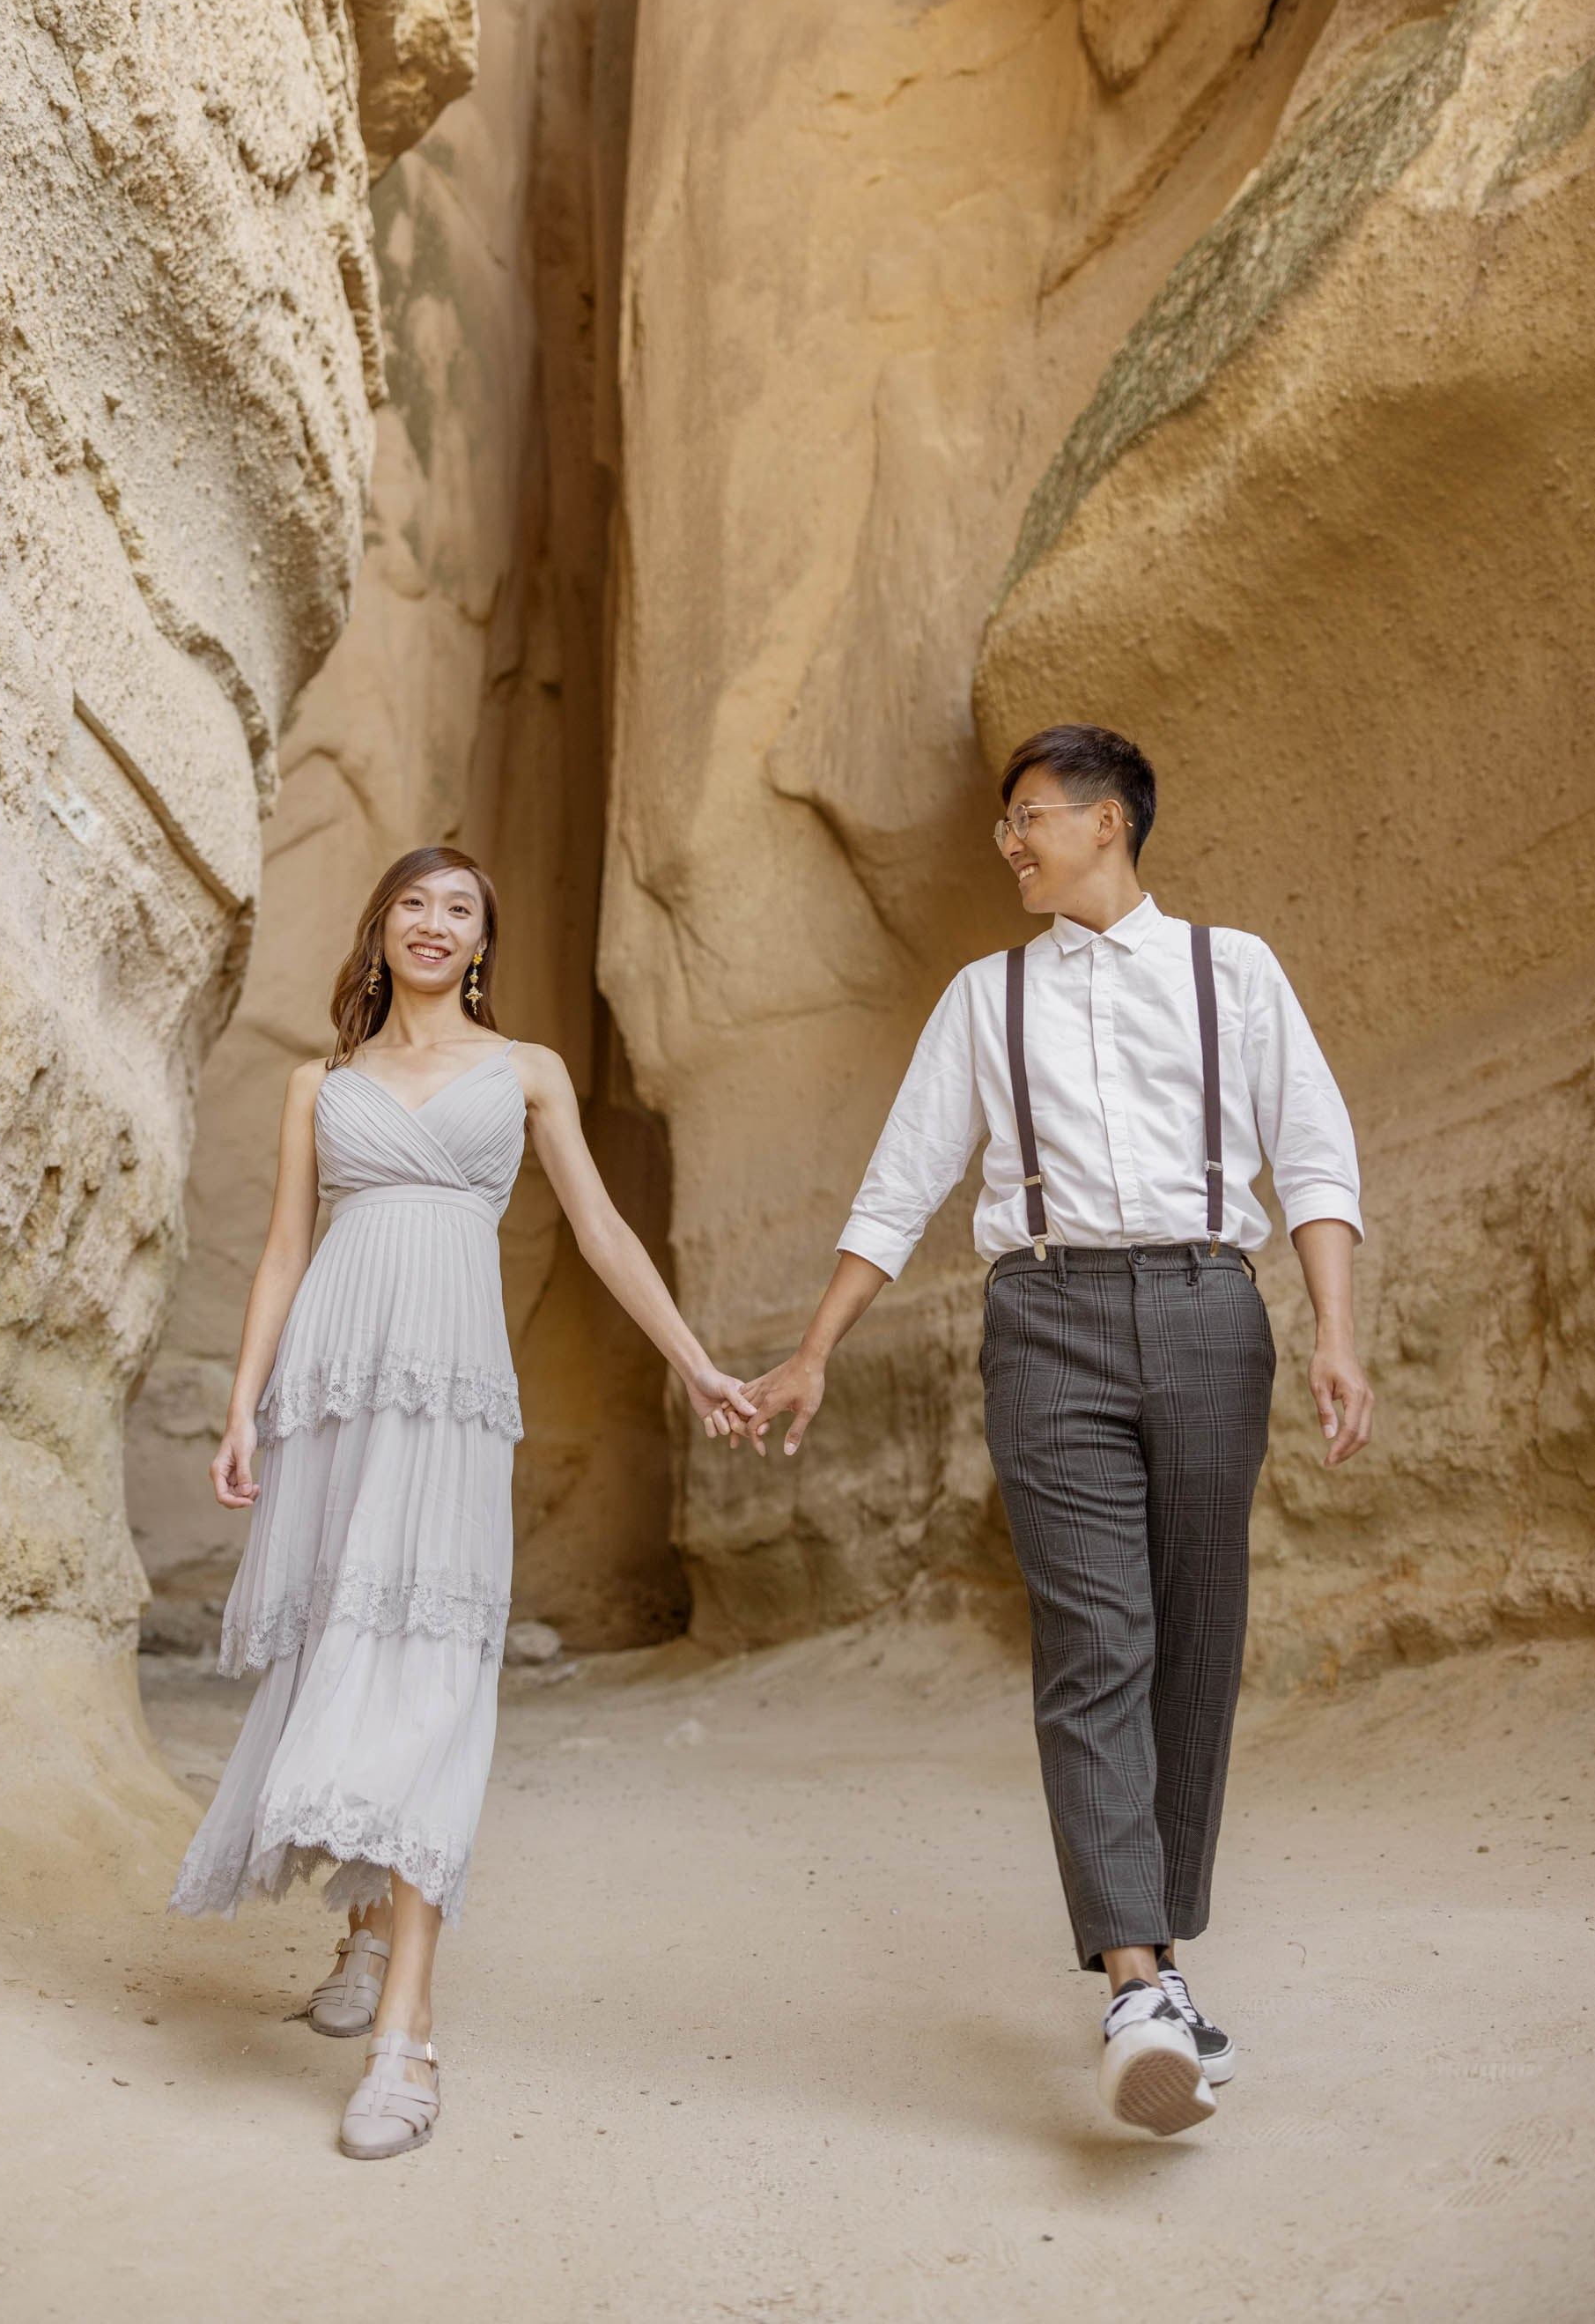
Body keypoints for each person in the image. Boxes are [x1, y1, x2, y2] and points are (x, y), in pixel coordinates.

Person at [741, 724, 1372, 2137]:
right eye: (1005, 820)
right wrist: (814, 1349)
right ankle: (1134, 1986)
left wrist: (1333, 1331)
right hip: (1046, 1323)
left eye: (1027, 816)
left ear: (1106, 822)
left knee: (1196, 1632)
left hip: (1210, 1308)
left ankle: (1161, 1955)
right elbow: (902, 1179)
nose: (1008, 843)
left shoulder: (1233, 971)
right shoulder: (984, 997)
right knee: (1094, 1638)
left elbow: (1313, 1151)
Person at [171, 845, 752, 2160]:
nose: (433, 924)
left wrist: (694, 1362)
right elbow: (284, 1250)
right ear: (379, 929)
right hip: (336, 1387)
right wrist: (244, 1402)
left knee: (431, 1664)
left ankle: (407, 2034)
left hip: (450, 1396)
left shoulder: (526, 1070)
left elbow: (602, 1232)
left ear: (482, 943)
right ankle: (365, 1931)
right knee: (343, 1641)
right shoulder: (319, 1086)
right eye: (412, 905)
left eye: (459, 911)